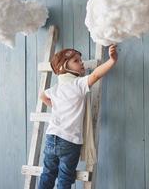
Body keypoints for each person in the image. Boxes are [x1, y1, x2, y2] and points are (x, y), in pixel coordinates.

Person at [38, 44, 118, 189]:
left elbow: (42, 96)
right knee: (65, 178)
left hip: (51, 137)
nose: (81, 62)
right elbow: (95, 75)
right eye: (76, 61)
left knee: (47, 174)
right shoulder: (77, 84)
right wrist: (111, 61)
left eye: (80, 60)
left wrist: (55, 105)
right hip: (69, 141)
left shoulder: (56, 88)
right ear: (63, 67)